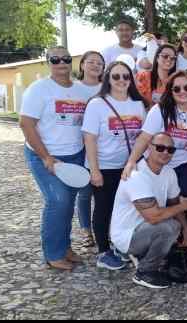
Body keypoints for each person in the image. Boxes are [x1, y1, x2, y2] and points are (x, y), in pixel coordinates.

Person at [20, 46, 93, 270]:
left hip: (75, 155)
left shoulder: (82, 91)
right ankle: (53, 254)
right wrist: (46, 158)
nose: (61, 63)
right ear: (48, 62)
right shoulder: (38, 89)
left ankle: (65, 248)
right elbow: (26, 124)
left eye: (66, 59)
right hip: (45, 155)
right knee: (58, 201)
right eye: (55, 59)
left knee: (68, 204)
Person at [123, 71, 187, 256]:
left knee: (185, 203)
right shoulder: (160, 110)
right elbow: (145, 137)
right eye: (176, 88)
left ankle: (181, 242)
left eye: (186, 87)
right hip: (161, 166)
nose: (182, 91)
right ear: (170, 91)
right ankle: (157, 243)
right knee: (161, 205)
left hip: (185, 165)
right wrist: (131, 162)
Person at [82, 61, 147, 270]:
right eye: (116, 76)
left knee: (126, 209)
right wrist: (94, 170)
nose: (121, 81)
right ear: (107, 79)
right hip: (104, 166)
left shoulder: (137, 104)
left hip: (128, 167)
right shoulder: (97, 104)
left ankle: (120, 245)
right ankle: (103, 251)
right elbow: (89, 138)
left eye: (126, 76)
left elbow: (143, 137)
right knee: (104, 208)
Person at [110, 132, 187, 289]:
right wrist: (184, 206)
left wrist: (186, 230)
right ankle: (144, 272)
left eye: (170, 150)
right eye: (160, 148)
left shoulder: (169, 172)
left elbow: (174, 203)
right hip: (128, 235)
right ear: (149, 147)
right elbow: (154, 217)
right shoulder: (136, 175)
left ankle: (153, 253)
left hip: (150, 228)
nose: (165, 152)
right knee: (170, 228)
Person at [75, 50, 105, 247]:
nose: (95, 65)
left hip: (101, 147)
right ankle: (86, 230)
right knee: (84, 192)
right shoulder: (73, 88)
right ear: (82, 65)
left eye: (99, 63)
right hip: (77, 146)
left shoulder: (106, 88)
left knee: (103, 192)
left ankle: (103, 228)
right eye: (91, 62)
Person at [136, 44, 178, 109]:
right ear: (157, 58)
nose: (169, 59)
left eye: (173, 58)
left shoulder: (176, 80)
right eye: (165, 56)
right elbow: (139, 101)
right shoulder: (144, 76)